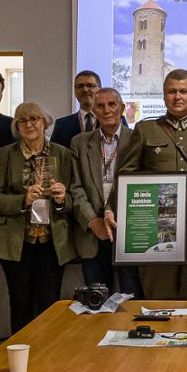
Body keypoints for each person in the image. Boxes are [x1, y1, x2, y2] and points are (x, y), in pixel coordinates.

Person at [117, 69, 187, 300]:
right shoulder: (146, 130)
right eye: (171, 92)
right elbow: (127, 174)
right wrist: (111, 208)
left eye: (183, 91)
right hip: (157, 227)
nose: (177, 97)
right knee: (158, 294)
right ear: (164, 96)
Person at [0, 101, 77, 331]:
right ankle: (21, 357)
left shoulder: (63, 154)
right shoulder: (5, 155)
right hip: (18, 242)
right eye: (22, 120)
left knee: (50, 303)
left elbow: (74, 200)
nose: (28, 124)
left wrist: (61, 200)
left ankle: (48, 358)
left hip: (52, 241)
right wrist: (23, 200)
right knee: (20, 303)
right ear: (16, 126)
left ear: (44, 122)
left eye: (34, 119)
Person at [69, 87, 140, 297]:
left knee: (131, 296)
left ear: (122, 108)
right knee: (97, 301)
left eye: (112, 104)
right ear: (94, 110)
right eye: (100, 106)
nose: (107, 110)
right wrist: (93, 222)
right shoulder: (80, 143)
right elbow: (76, 187)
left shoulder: (137, 139)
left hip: (128, 231)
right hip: (93, 234)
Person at [51, 69, 103, 148]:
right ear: (75, 91)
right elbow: (55, 156)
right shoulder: (62, 124)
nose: (85, 90)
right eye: (80, 86)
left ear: (100, 90)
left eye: (90, 85)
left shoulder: (115, 121)